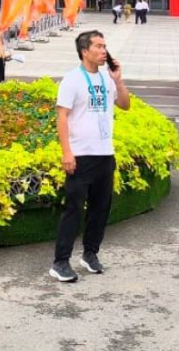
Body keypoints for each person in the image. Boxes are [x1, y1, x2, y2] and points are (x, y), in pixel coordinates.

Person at [50, 30, 130, 282]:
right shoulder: (72, 80)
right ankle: (60, 262)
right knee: (73, 209)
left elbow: (125, 105)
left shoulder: (107, 78)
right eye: (98, 46)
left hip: (104, 154)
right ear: (85, 51)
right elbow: (62, 116)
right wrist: (67, 152)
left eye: (105, 46)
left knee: (100, 208)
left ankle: (90, 254)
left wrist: (118, 80)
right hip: (81, 155)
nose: (104, 50)